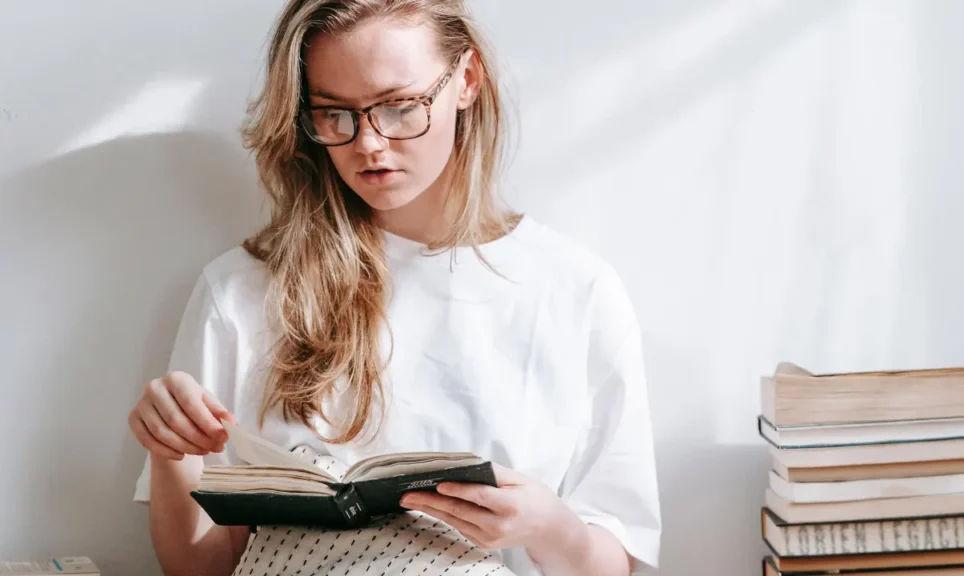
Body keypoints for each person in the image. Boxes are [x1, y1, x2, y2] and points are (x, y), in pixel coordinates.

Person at [127, 0, 661, 574]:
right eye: (335, 113)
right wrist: (171, 456)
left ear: (467, 81)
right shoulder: (242, 289)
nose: (368, 145)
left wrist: (548, 526)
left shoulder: (575, 291)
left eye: (400, 107)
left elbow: (615, 563)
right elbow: (200, 568)